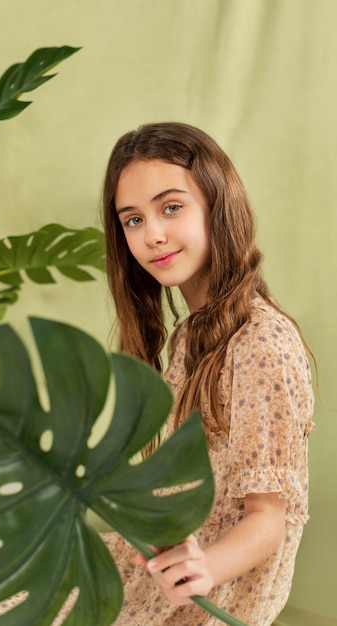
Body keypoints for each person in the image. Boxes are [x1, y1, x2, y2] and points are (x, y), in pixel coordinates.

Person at [100, 122, 315, 625]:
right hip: (165, 575)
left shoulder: (261, 341)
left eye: (170, 207)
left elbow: (268, 519)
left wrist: (203, 567)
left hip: (210, 602)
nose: (152, 234)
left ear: (218, 204)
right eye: (132, 220)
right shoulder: (193, 336)